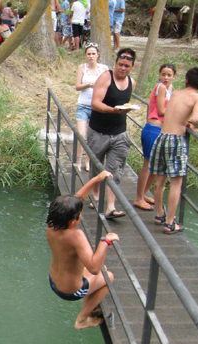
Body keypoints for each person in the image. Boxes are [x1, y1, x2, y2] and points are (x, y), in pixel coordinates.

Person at [47, 170, 118, 330]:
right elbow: (93, 268)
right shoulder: (76, 236)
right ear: (73, 221)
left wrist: (96, 179)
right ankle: (82, 318)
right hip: (70, 291)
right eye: (79, 215)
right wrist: (105, 241)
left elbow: (77, 200)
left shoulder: (52, 224)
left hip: (53, 281)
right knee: (108, 276)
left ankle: (90, 308)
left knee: (103, 270)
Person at [149, 67, 198, 234]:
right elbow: (195, 117)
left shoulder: (176, 92)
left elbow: (172, 114)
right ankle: (170, 223)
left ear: (186, 80)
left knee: (160, 180)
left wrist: (185, 122)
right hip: (176, 140)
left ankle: (159, 214)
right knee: (176, 183)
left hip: (162, 136)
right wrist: (195, 124)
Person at [88, 48, 136, 219]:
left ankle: (110, 207)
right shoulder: (106, 78)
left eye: (127, 66)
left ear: (132, 67)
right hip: (99, 131)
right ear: (115, 63)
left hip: (120, 133)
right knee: (97, 165)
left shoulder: (132, 82)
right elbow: (95, 103)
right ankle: (95, 194)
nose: (123, 68)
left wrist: (125, 109)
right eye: (120, 64)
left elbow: (126, 103)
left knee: (115, 169)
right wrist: (113, 110)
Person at [133, 64, 176, 211]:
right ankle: (138, 198)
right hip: (153, 129)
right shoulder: (161, 87)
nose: (166, 77)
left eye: (169, 75)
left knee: (154, 167)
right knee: (148, 165)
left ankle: (143, 194)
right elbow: (162, 111)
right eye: (163, 74)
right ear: (159, 75)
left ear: (174, 77)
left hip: (160, 130)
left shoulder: (169, 89)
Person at [74, 43, 108, 172]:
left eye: (93, 54)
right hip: (83, 105)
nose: (91, 56)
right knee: (81, 134)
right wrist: (88, 84)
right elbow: (77, 86)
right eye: (89, 54)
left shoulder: (103, 68)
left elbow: (108, 85)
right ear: (85, 55)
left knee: (92, 136)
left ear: (98, 55)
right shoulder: (82, 67)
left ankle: (88, 161)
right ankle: (78, 161)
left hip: (97, 106)